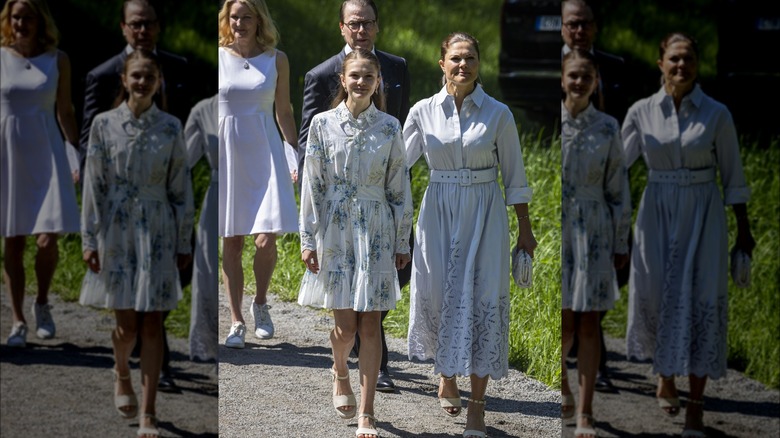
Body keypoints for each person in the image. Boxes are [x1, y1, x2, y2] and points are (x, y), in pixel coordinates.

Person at [404, 32, 537, 438]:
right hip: (438, 213)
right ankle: (446, 374)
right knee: (441, 294)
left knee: (482, 300)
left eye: (471, 59)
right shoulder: (422, 112)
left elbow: (515, 178)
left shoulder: (499, 114)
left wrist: (525, 232)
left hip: (485, 213)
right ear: (441, 62)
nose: (464, 65)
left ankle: (477, 407)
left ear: (480, 64)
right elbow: (396, 165)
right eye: (456, 58)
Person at [622, 32, 755, 438]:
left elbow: (734, 178)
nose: (681, 66)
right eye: (674, 59)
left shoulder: (717, 114)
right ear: (661, 63)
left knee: (701, 300)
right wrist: (613, 223)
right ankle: (664, 373)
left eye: (689, 59)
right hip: (656, 214)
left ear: (697, 64)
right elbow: (615, 169)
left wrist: (744, 233)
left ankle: (696, 407)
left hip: (704, 214)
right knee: (658, 294)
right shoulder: (642, 112)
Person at [79, 48, 194, 438]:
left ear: (158, 81)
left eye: (149, 76)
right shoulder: (104, 125)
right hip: (117, 229)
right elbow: (93, 187)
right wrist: (89, 238)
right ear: (125, 80)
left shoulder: (170, 127)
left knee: (152, 323)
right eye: (136, 76)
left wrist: (183, 240)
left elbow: (181, 188)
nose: (142, 82)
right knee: (126, 325)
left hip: (159, 229)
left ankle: (149, 413)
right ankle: (121, 370)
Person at [298, 48, 412, 438]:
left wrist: (402, 240)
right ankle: (339, 369)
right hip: (336, 229)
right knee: (346, 328)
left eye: (368, 76)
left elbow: (399, 187)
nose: (361, 82)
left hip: (377, 230)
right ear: (343, 80)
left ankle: (367, 413)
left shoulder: (390, 128)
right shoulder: (322, 124)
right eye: (355, 76)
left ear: (377, 82)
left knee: (371, 324)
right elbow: (312, 186)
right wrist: (307, 239)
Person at [218, 0, 298, 348]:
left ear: (258, 20)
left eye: (247, 16)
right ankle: (236, 321)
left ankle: (260, 302)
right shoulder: (218, 56)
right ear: (226, 20)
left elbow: (284, 110)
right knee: (232, 240)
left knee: (266, 238)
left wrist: (293, 151)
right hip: (228, 152)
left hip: (265, 150)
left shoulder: (276, 59)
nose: (240, 23)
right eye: (234, 16)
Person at [0, 0, 80, 348]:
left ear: (40, 20)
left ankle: (42, 302)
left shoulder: (57, 59)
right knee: (13, 239)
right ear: (8, 20)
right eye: (15, 17)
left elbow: (65, 110)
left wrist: (74, 152)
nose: (21, 23)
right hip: (8, 155)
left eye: (27, 17)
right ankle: (17, 319)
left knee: (48, 238)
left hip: (47, 152)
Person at [560, 49, 631, 437]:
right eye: (573, 75)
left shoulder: (607, 127)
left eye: (586, 76)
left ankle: (585, 412)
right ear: (562, 79)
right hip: (562, 229)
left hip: (596, 231)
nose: (579, 82)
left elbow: (619, 189)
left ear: (595, 81)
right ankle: (564, 386)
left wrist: (621, 240)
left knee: (590, 324)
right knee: (565, 325)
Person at [184, 94, 218, 363]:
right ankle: (206, 340)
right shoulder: (203, 109)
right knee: (206, 266)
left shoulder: (253, 98)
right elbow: (183, 160)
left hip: (254, 189)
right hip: (217, 192)